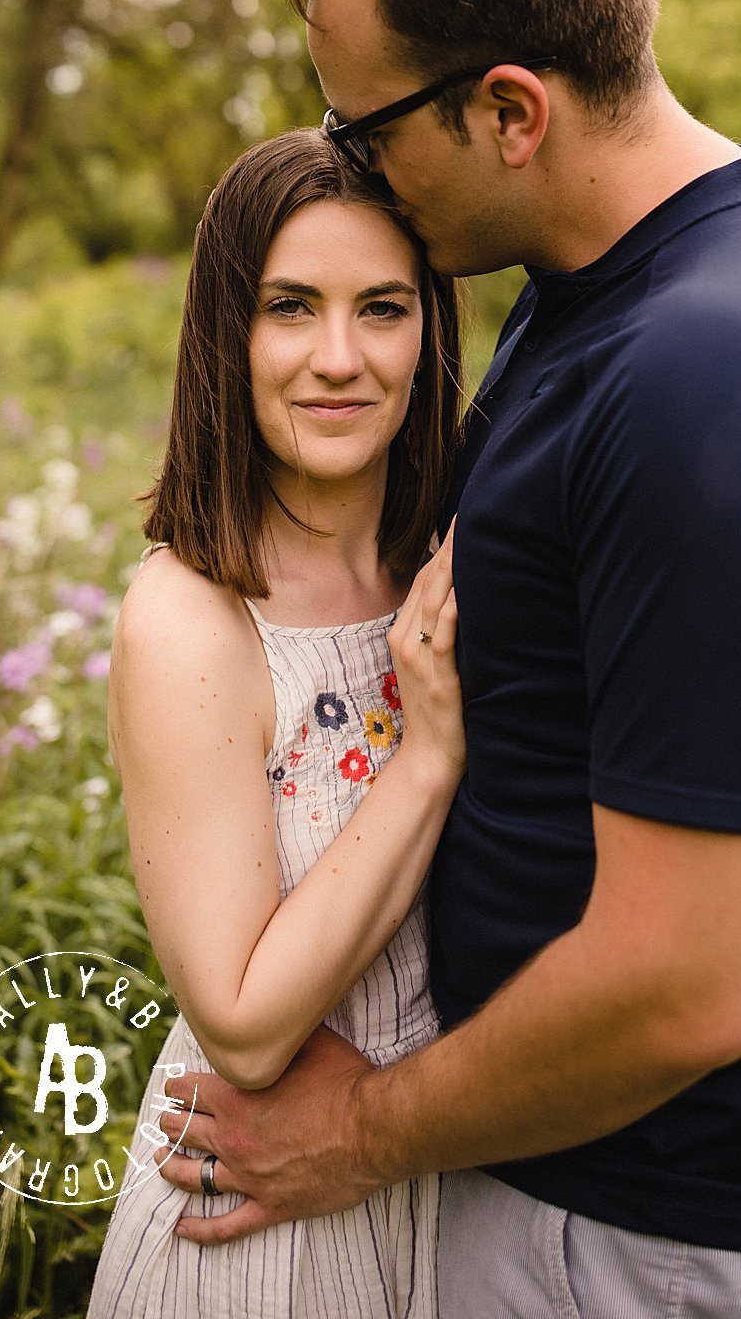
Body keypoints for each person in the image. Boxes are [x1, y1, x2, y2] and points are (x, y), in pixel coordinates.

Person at [155, 0, 741, 1319]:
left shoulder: (717, 383)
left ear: (511, 110)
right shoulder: (591, 293)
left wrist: (356, 1135)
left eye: (366, 131)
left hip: (658, 1234)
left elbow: (684, 985)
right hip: (556, 1181)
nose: (358, 171)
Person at [86, 128, 464, 1318]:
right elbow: (243, 1026)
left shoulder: (453, 560)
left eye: (384, 307)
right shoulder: (191, 619)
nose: (339, 358)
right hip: (255, 1224)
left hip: (447, 1193)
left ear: (430, 330)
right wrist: (429, 757)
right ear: (227, 336)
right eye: (290, 306)